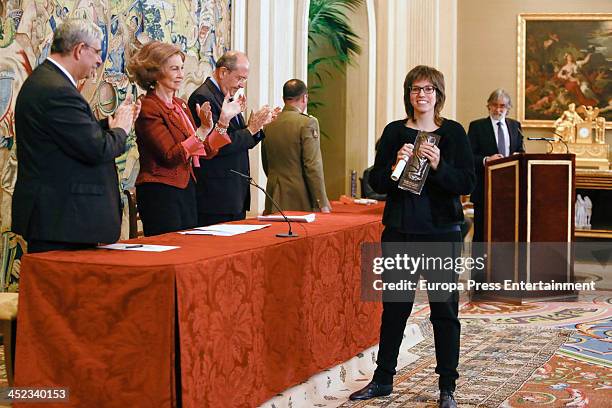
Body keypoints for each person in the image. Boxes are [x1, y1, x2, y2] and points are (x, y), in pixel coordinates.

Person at [349, 66, 475, 408]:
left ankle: (447, 387)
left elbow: (467, 183)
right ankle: (383, 380)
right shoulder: (394, 133)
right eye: (416, 89)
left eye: (429, 90)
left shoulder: (454, 134)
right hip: (401, 231)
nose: (422, 95)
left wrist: (439, 167)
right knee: (395, 309)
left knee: (444, 312)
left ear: (438, 95)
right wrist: (395, 165)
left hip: (441, 233)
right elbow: (376, 181)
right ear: (409, 94)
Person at [12, 19, 140, 253]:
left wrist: (108, 125)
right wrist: (121, 129)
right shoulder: (57, 90)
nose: (100, 61)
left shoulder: (50, 82)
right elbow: (96, 150)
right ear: (80, 50)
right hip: (61, 220)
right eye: (98, 52)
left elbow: (70, 137)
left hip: (62, 220)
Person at [128, 41, 243, 236]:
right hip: (161, 193)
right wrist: (201, 131)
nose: (181, 74)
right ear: (154, 72)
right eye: (174, 69)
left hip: (186, 189)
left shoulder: (179, 105)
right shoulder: (148, 107)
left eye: (181, 68)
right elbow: (171, 156)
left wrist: (222, 122)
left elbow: (204, 150)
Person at [188, 51, 278, 226]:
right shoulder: (204, 97)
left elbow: (238, 139)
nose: (242, 85)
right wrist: (250, 129)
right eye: (240, 78)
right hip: (216, 196)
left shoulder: (225, 97)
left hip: (233, 193)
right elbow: (217, 145)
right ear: (223, 73)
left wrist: (258, 127)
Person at [261, 79, 330, 214]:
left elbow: (266, 162)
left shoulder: (269, 124)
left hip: (272, 193)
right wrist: (321, 201)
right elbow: (312, 165)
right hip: (299, 197)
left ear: (284, 98)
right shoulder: (307, 122)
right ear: (305, 97)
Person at [468, 89, 524, 243]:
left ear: (508, 107)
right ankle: (479, 267)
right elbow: (468, 157)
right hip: (485, 189)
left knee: (506, 233)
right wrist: (486, 160)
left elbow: (521, 150)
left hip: (510, 190)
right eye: (495, 105)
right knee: (481, 234)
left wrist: (518, 156)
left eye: (502, 106)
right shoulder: (477, 126)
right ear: (488, 106)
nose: (498, 110)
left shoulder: (515, 126)